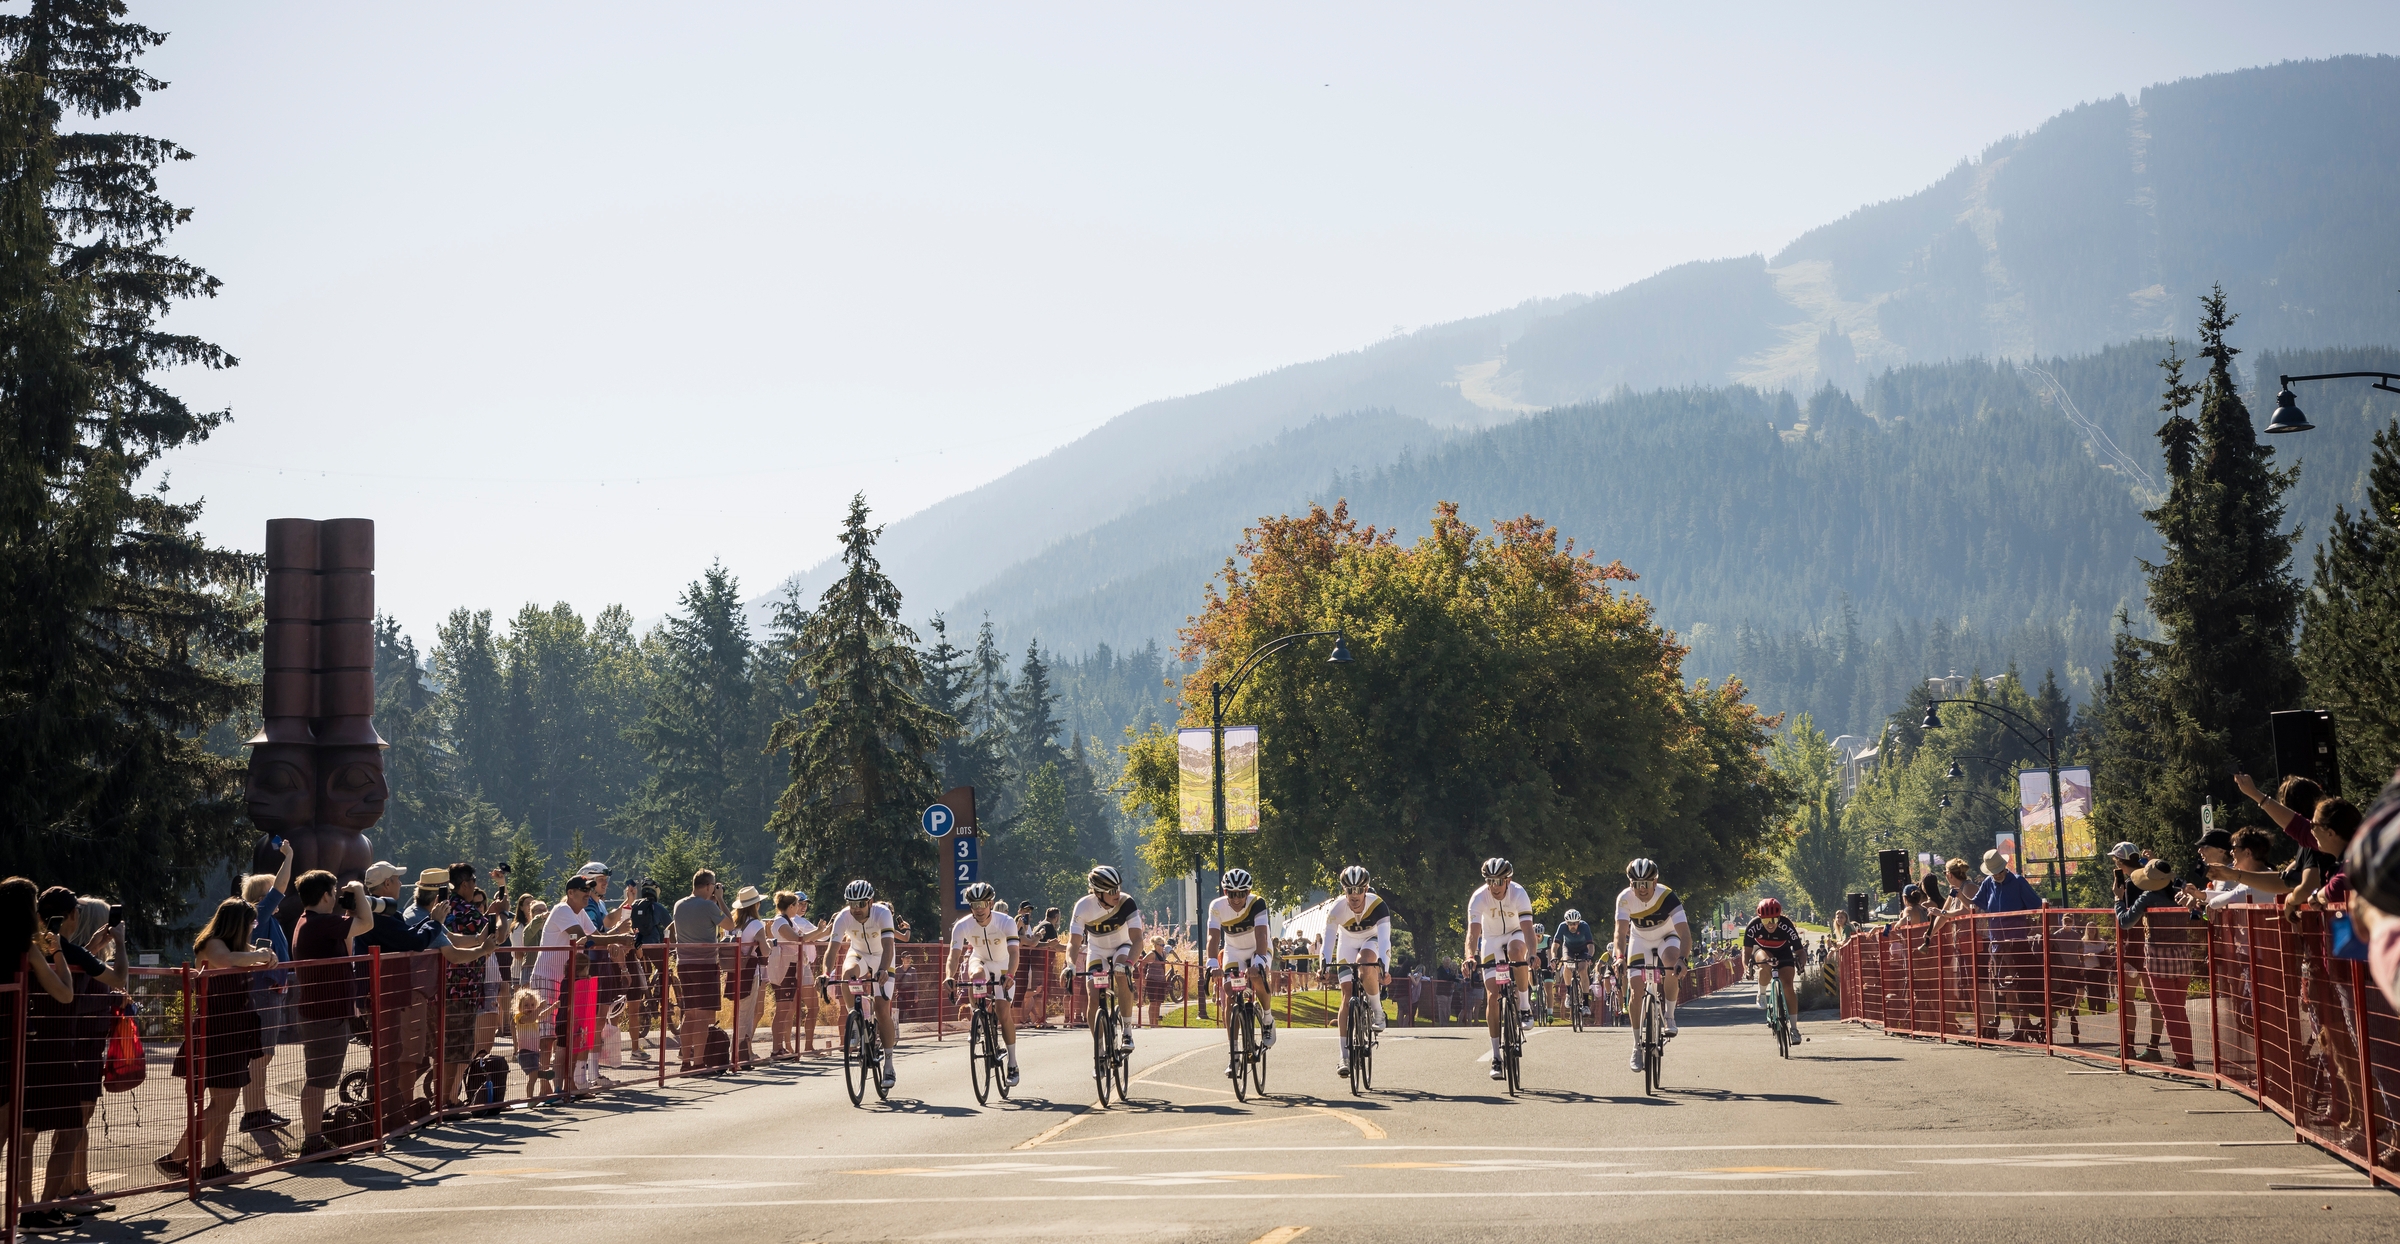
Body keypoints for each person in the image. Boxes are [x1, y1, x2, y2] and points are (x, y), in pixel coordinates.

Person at [160, 897, 277, 1183]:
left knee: (223, 1102)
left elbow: (253, 955)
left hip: (233, 1033)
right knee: (223, 1104)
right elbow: (227, 960)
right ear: (238, 924)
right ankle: (175, 1159)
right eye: (251, 922)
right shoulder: (211, 945)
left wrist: (265, 955)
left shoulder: (237, 947)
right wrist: (261, 955)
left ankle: (212, 1165)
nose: (253, 927)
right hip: (217, 1033)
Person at [3, 880, 78, 1232]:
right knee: (9, 1129)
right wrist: (57, 951)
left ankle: (26, 1210)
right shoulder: (27, 947)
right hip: (11, 1043)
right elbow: (64, 994)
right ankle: (33, 1210)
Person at [290, 870, 373, 1158]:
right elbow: (367, 923)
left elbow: (348, 941)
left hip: (321, 1012)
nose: (336, 898)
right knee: (318, 1080)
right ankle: (313, 1142)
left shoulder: (309, 922)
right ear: (325, 895)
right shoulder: (321, 923)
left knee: (320, 1078)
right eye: (334, 893)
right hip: (324, 1014)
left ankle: (314, 1139)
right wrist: (359, 890)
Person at [1612, 857, 1687, 1072]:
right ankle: (1637, 1045)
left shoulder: (1667, 896)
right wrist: (1619, 957)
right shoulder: (1624, 898)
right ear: (1630, 884)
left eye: (1646, 883)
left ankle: (1669, 1017)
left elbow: (1684, 934)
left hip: (1667, 937)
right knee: (1635, 991)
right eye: (1636, 884)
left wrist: (1682, 959)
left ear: (1655, 882)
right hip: (1640, 940)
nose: (1641, 889)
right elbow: (1620, 933)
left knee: (1671, 964)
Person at [239, 844, 294, 1134]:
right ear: (264, 897)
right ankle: (254, 1112)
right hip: (264, 992)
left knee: (263, 1054)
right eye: (273, 892)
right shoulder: (259, 913)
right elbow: (281, 885)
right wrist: (289, 857)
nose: (280, 896)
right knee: (261, 1054)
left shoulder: (265, 919)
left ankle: (257, 1109)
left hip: (269, 992)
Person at [945, 881, 1021, 1086]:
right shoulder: (962, 925)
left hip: (1004, 965)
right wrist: (949, 976)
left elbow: (1014, 953)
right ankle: (977, 1017)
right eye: (974, 905)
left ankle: (1012, 1064)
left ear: (991, 904)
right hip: (981, 961)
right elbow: (954, 956)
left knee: (1003, 1012)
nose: (979, 909)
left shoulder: (1006, 922)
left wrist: (1010, 975)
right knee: (976, 976)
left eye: (983, 904)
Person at [829, 879, 901, 1091]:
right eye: (852, 903)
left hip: (883, 956)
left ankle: (889, 1065)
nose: (856, 908)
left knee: (881, 1010)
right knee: (847, 973)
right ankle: (855, 1021)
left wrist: (883, 969)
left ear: (870, 901)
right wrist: (824, 973)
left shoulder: (882, 913)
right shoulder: (843, 916)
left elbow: (888, 945)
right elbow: (832, 949)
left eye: (861, 903)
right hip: (858, 953)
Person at [1467, 857, 1535, 1080]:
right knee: (1493, 995)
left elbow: (1528, 929)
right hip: (1492, 940)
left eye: (1498, 881)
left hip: (1516, 933)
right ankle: (1496, 1056)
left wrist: (1532, 954)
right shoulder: (1479, 897)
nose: (1494, 886)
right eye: (1489, 881)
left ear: (1508, 880)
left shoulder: (1519, 893)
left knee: (1516, 952)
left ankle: (1524, 1006)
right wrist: (1470, 956)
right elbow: (1473, 933)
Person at [1204, 867, 1276, 1074]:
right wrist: (1212, 963)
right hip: (1234, 951)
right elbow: (1213, 937)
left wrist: (1259, 962)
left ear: (1248, 892)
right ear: (1225, 892)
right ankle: (1234, 1054)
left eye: (1241, 893)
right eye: (1232, 893)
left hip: (1258, 948)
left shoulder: (1257, 903)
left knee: (1258, 979)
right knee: (1229, 993)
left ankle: (1268, 1019)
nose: (1237, 899)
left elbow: (1261, 935)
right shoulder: (1217, 906)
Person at [1067, 866, 1144, 1054]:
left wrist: (1129, 965)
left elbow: (1138, 940)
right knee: (1093, 999)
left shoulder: (1126, 902)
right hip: (1097, 952)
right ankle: (1100, 1048)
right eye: (1111, 891)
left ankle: (1127, 1032)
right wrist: (1069, 965)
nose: (1117, 894)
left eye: (1118, 888)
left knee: (1121, 973)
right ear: (1097, 893)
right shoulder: (1083, 907)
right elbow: (1074, 943)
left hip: (1122, 946)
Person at [1322, 865, 1389, 1078]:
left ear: (1366, 889)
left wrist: (1385, 968)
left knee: (1365, 964)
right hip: (1347, 944)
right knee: (1346, 995)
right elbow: (1328, 942)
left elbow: (1385, 940)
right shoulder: (1337, 908)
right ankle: (1344, 1057)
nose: (1354, 895)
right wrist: (1323, 965)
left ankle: (1377, 1011)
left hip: (1372, 940)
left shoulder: (1378, 905)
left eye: (1358, 890)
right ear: (1344, 890)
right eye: (1349, 890)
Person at [669, 870, 737, 1073]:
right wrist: (720, 900)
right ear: (708, 886)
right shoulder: (709, 906)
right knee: (702, 1015)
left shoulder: (679, 905)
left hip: (684, 964)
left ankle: (685, 1062)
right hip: (705, 965)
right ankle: (698, 1062)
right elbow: (730, 924)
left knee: (690, 1013)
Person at [768, 891, 825, 1059]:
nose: (800, 907)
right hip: (784, 967)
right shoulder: (780, 921)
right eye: (797, 904)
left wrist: (823, 930)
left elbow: (804, 937)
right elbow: (798, 939)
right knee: (783, 1009)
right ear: (791, 906)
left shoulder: (788, 921)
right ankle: (776, 1048)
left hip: (789, 966)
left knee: (785, 1009)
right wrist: (820, 930)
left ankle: (780, 1048)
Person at [1744, 897, 1802, 1040]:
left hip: (1784, 952)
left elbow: (1800, 951)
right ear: (1760, 919)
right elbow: (1746, 951)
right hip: (1762, 951)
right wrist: (1746, 968)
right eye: (1765, 921)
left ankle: (1794, 1029)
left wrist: (1801, 964)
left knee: (1788, 986)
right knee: (1766, 962)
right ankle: (1762, 992)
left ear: (1779, 918)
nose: (1770, 924)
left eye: (1774, 920)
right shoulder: (1753, 926)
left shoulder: (1786, 925)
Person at [728, 887, 770, 1061]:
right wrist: (769, 943)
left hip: (733, 970)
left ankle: (743, 1052)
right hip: (750, 971)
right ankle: (741, 1053)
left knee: (739, 1012)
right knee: (746, 1013)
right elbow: (765, 951)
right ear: (756, 905)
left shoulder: (731, 924)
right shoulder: (756, 924)